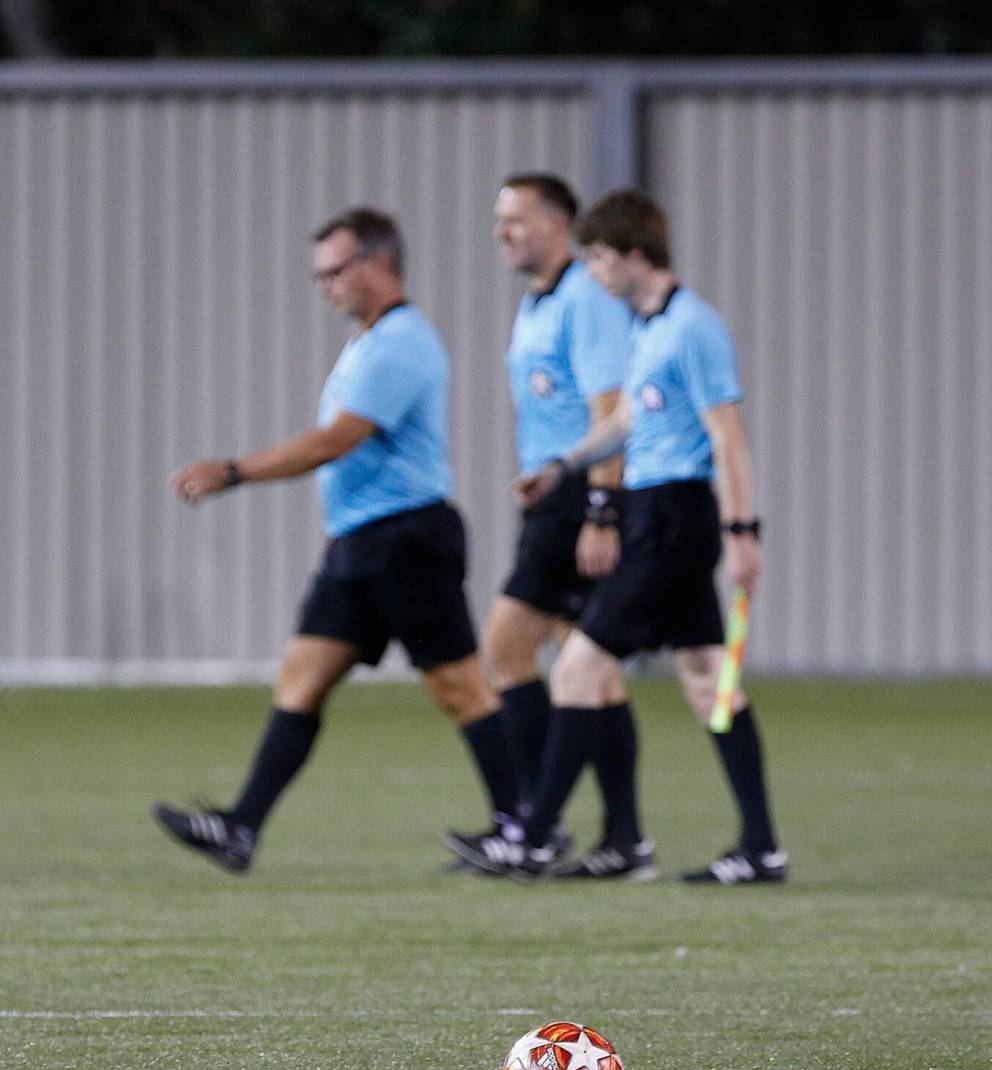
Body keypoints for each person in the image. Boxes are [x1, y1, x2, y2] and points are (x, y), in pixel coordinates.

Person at [152, 207, 520, 874]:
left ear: (378, 264)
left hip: (408, 536)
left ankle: (520, 829)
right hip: (359, 543)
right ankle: (241, 829)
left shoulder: (404, 341)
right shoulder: (368, 341)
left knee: (458, 688)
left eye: (334, 272)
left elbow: (333, 442)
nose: (325, 286)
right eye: (318, 275)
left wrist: (232, 471)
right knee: (302, 676)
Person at [446, 189, 786, 885]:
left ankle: (536, 836)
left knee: (578, 667)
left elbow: (728, 439)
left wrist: (742, 532)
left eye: (601, 258)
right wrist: (559, 466)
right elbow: (626, 419)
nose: (594, 272)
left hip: (674, 520)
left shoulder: (693, 327)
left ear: (635, 256)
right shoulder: (646, 328)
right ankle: (760, 847)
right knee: (706, 682)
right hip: (652, 513)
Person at [453, 172, 649, 870]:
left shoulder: (585, 301)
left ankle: (536, 825)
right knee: (588, 669)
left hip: (579, 501)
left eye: (516, 219)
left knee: (507, 649)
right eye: (498, 220)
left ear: (556, 223)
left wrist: (602, 511)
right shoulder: (539, 303)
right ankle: (620, 838)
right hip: (551, 499)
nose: (503, 232)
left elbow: (610, 415)